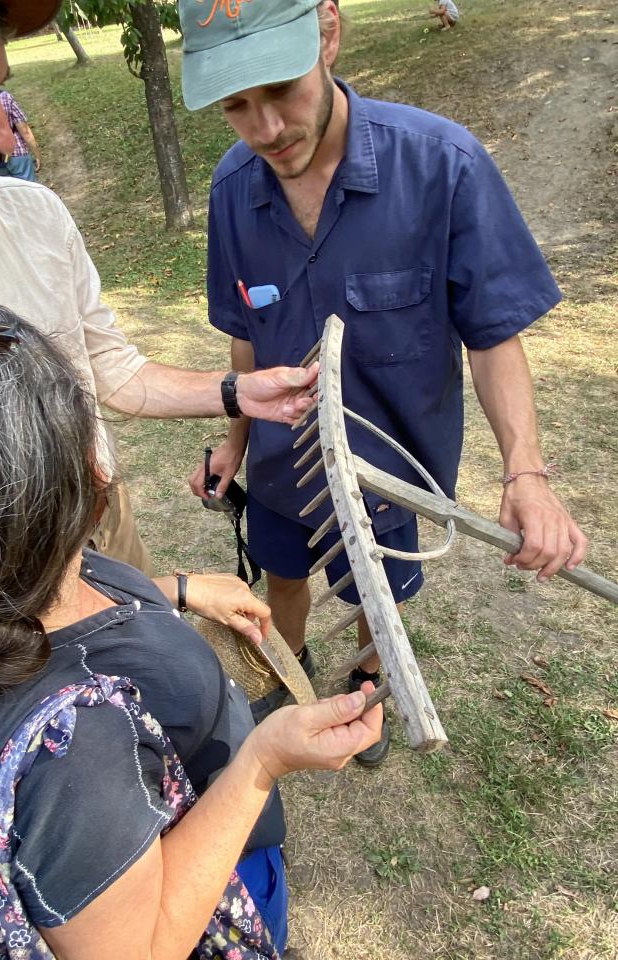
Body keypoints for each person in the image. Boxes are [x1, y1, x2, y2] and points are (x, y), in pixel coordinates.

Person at [0, 302, 384, 959]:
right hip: (210, 884)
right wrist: (263, 761)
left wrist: (177, 590)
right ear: (87, 490)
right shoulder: (76, 752)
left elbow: (53, 603)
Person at [182, 0, 589, 764]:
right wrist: (233, 441)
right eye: (236, 104)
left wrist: (526, 474)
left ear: (328, 32)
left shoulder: (444, 166)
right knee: (283, 575)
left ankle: (369, 677)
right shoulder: (232, 189)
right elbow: (246, 335)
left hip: (393, 480)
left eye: (282, 89)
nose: (266, 128)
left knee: (378, 595)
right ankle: (288, 666)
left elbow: (493, 335)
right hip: (280, 468)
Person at [0, 0, 318, 574]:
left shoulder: (37, 214)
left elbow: (106, 366)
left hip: (100, 523)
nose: (5, 137)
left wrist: (237, 391)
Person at [0, 87, 42, 181]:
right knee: (28, 187)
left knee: (6, 189)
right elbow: (25, 131)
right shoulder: (5, 97)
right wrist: (37, 154)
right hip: (17, 152)